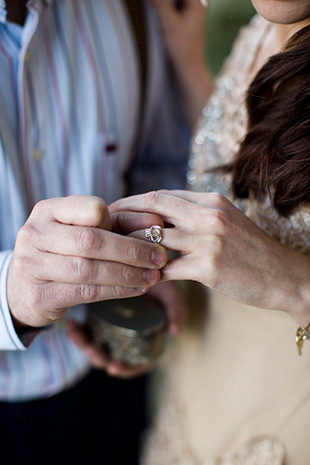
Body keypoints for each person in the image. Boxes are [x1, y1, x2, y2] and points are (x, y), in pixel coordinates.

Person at [111, 0, 310, 463]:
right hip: (198, 378)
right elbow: (255, 168)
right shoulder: (268, 24)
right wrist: (187, 61)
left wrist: (293, 283)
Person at [0, 1, 191, 464]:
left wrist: (158, 260)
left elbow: (160, 162)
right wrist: (9, 293)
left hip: (113, 390)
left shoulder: (132, 11)